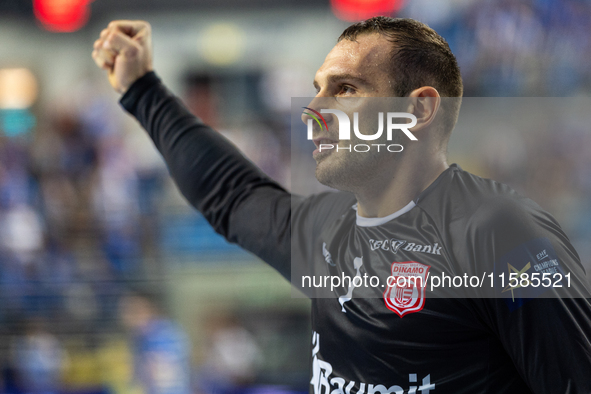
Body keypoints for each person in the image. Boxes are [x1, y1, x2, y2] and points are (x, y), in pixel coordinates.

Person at [92, 17, 591, 393]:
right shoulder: (327, 232)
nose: (314, 111)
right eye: (318, 90)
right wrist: (141, 90)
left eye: (346, 89)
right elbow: (231, 193)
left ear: (417, 109)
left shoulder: (501, 234)